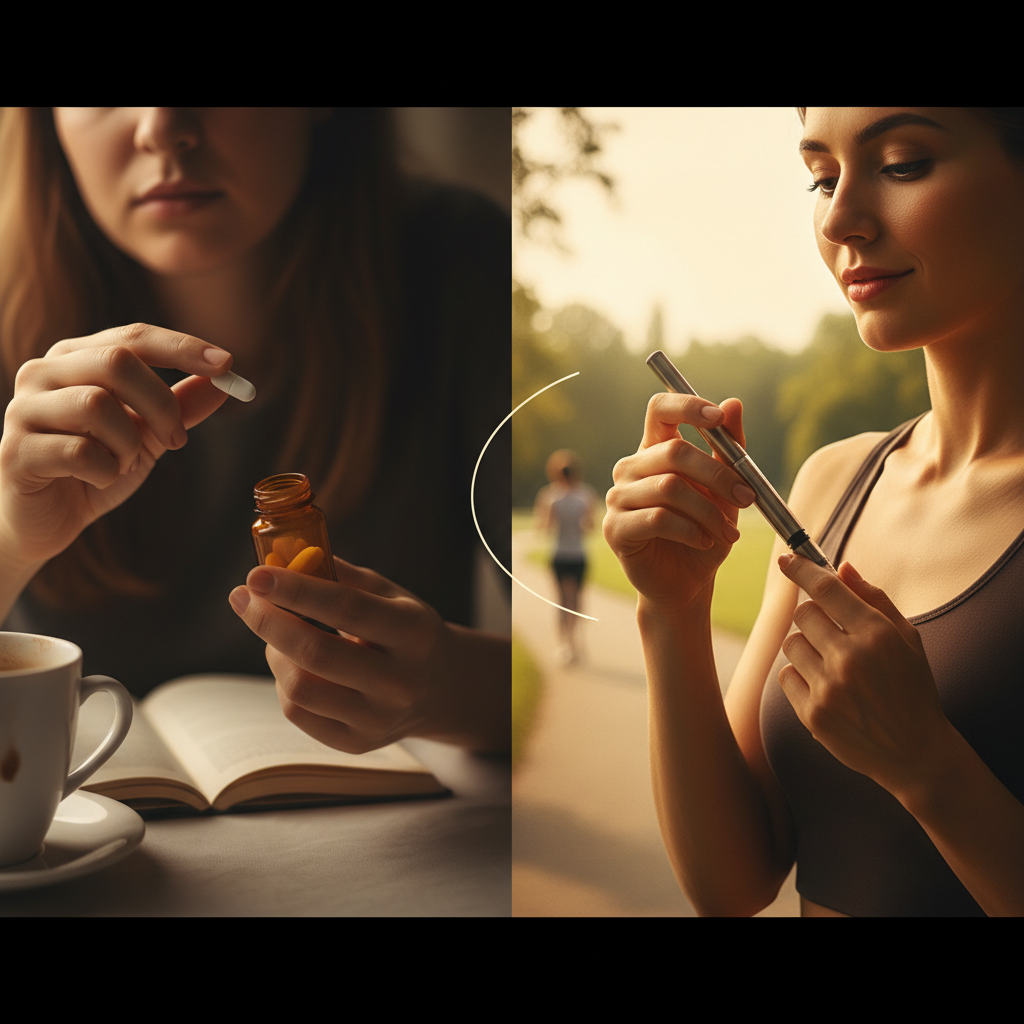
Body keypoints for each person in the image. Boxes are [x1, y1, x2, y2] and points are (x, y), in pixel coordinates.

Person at [603, 108, 1024, 916]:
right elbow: (733, 883)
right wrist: (674, 610)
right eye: (821, 177)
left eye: (902, 164)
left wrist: (928, 767)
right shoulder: (834, 484)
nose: (838, 219)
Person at [0, 108, 510, 756]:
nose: (162, 128)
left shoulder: (457, 259)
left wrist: (448, 687)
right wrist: (12, 541)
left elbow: (594, 674)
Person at [533, 449, 597, 665]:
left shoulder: (550, 496)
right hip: (578, 554)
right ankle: (576, 643)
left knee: (561, 601)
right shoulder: (586, 495)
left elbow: (544, 528)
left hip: (559, 554)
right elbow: (590, 527)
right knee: (576, 600)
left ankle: (564, 645)